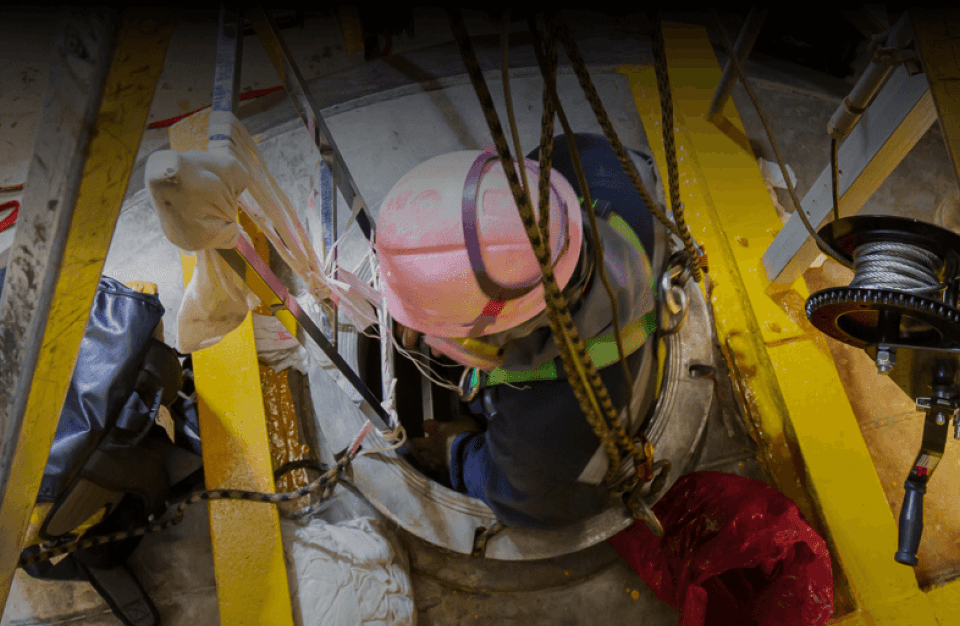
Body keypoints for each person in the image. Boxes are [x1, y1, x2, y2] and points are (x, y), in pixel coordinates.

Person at [376, 133, 667, 530]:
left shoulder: (544, 447)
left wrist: (456, 451)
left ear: (513, 328)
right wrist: (417, 295)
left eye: (448, 340)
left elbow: (529, 500)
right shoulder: (585, 160)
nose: (438, 351)